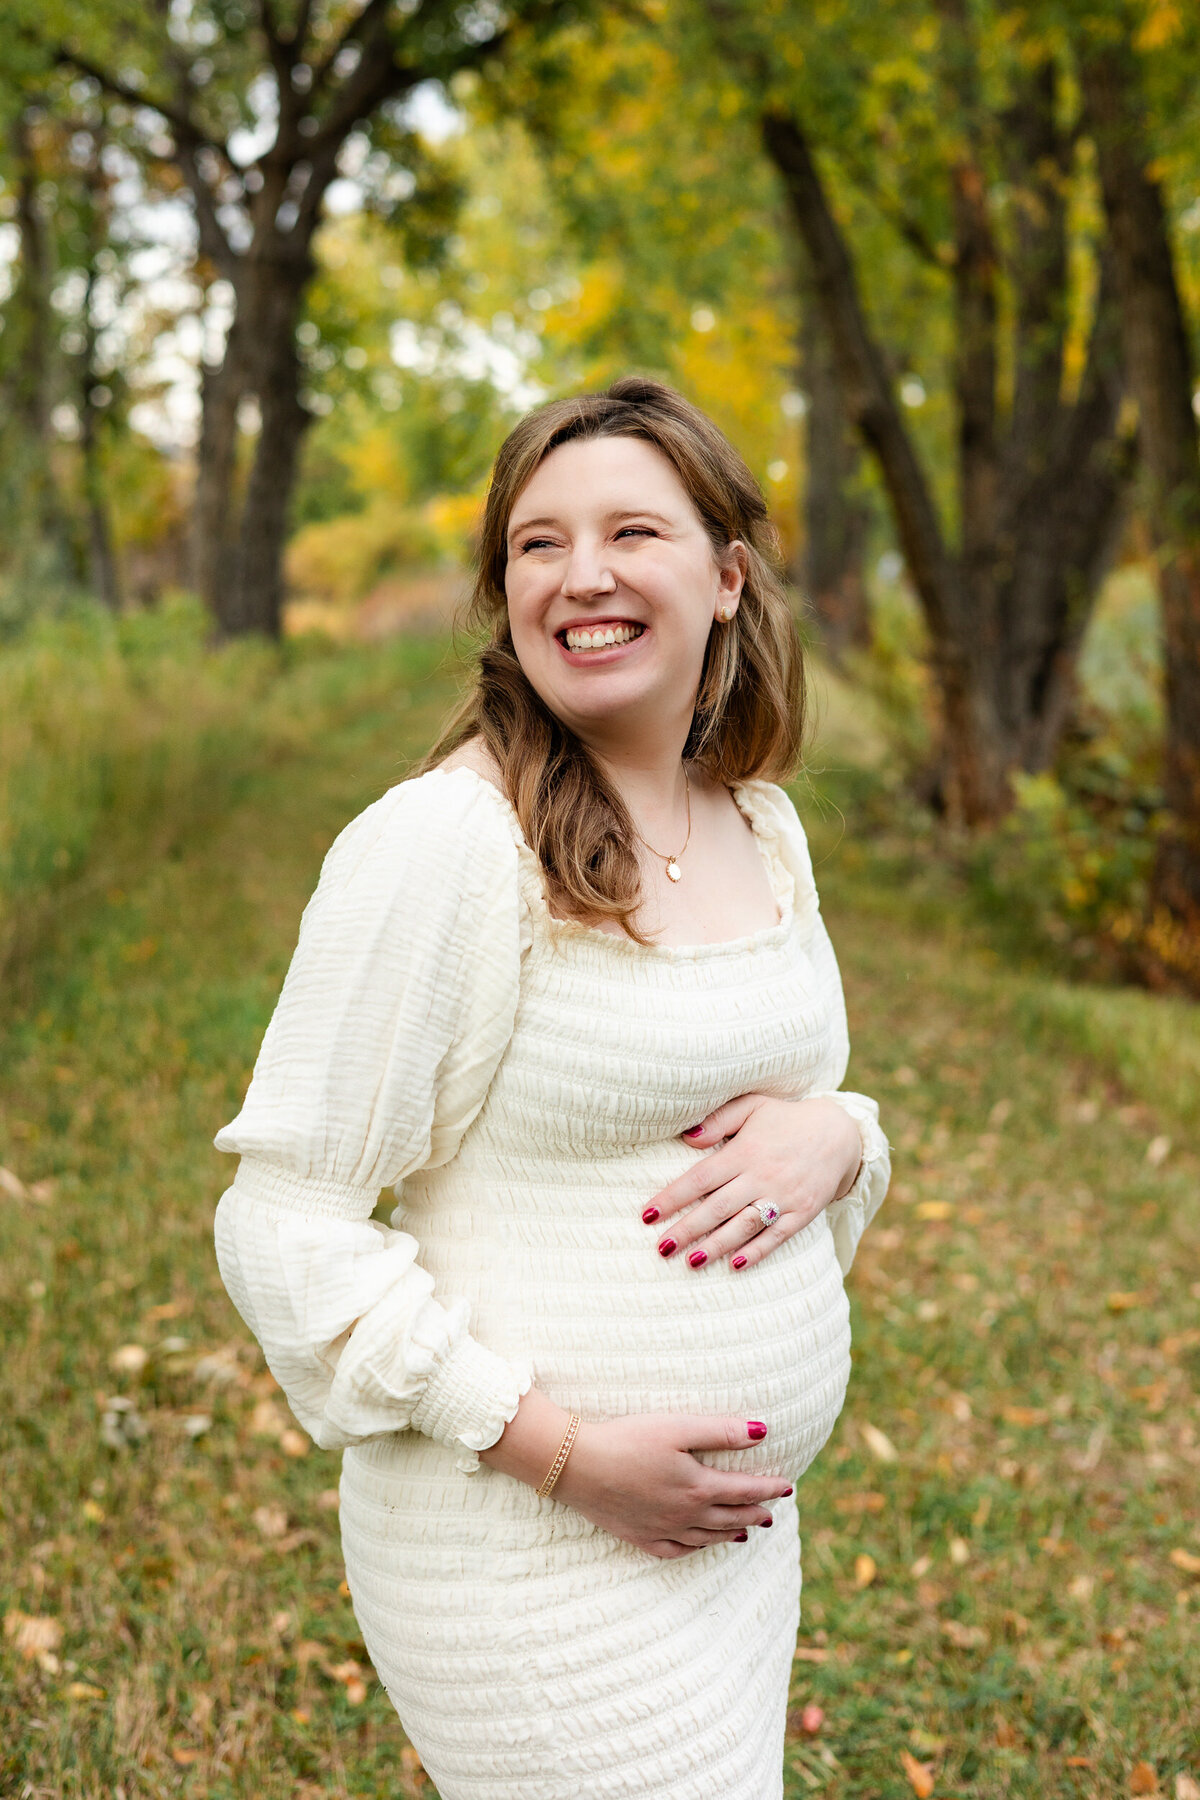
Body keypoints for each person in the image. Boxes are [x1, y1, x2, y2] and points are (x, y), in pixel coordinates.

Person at [212, 375, 890, 1799]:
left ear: (725, 575)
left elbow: (801, 1110)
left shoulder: (758, 823)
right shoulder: (449, 846)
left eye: (631, 531)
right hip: (522, 1544)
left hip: (732, 1552)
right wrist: (568, 1453)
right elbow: (284, 1222)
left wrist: (841, 1136)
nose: (582, 575)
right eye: (537, 543)